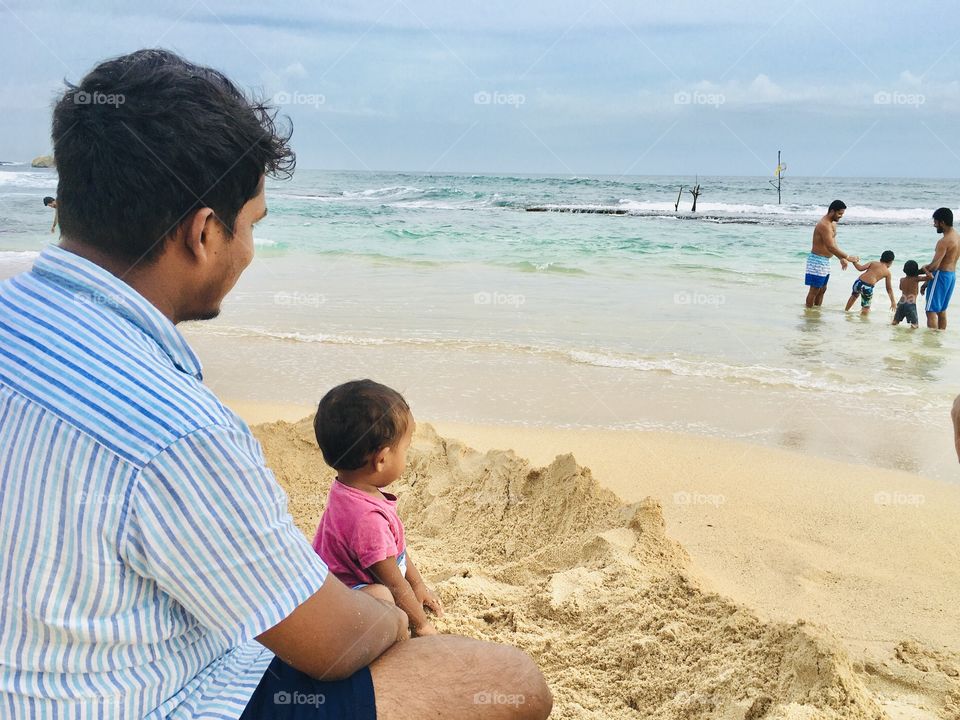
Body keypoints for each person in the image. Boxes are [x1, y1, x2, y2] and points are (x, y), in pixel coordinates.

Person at [0, 49, 551, 720]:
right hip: (151, 698)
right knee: (508, 679)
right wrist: (381, 611)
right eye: (252, 224)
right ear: (204, 233)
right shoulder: (176, 429)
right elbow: (331, 646)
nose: (250, 251)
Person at [312, 380, 443, 638]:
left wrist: (417, 584)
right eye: (405, 448)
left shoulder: (351, 490)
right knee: (383, 598)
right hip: (342, 601)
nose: (407, 455)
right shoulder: (367, 519)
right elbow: (392, 581)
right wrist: (422, 625)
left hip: (334, 590)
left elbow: (396, 552)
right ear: (382, 459)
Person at [805, 200, 858, 308]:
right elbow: (830, 247)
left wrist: (840, 258)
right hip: (817, 261)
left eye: (842, 214)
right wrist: (847, 257)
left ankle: (816, 311)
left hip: (825, 261)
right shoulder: (824, 225)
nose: (841, 216)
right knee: (814, 290)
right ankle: (809, 313)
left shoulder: (833, 224)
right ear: (832, 211)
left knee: (823, 289)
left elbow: (833, 243)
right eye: (839, 213)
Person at [921, 207, 959, 330]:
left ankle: (932, 342)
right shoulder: (958, 237)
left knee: (930, 311)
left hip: (940, 276)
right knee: (941, 310)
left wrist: (923, 269)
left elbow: (934, 266)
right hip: (951, 276)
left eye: (935, 222)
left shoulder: (944, 241)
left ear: (942, 222)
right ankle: (940, 339)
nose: (934, 225)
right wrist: (927, 282)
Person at [845, 250, 896, 315]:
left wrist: (854, 262)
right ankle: (863, 322)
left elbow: (860, 268)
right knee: (866, 307)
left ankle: (846, 311)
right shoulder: (887, 273)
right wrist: (893, 302)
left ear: (881, 258)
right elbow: (889, 289)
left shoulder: (873, 263)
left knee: (854, 296)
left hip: (858, 282)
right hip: (867, 287)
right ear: (891, 262)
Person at [892, 260, 932, 329]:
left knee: (895, 321)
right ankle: (907, 337)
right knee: (915, 325)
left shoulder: (902, 279)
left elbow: (901, 288)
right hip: (910, 304)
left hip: (901, 302)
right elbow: (930, 277)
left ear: (904, 270)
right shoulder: (916, 279)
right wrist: (924, 269)